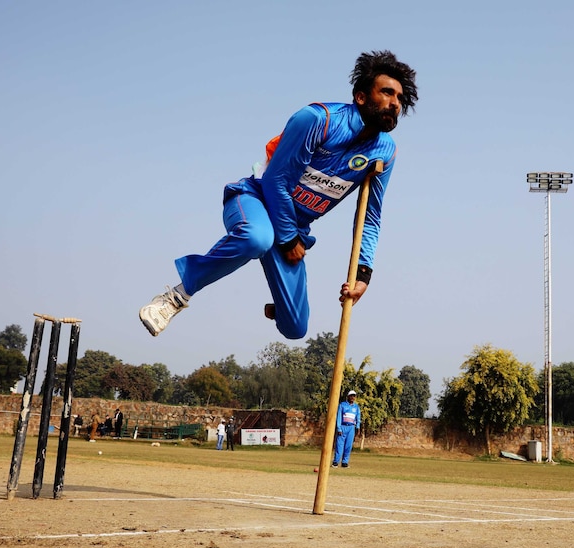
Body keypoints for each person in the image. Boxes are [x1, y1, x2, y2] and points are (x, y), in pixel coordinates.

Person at [139, 51, 418, 339]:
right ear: (361, 97)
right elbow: (275, 181)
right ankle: (177, 295)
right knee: (256, 238)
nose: (395, 103)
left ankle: (282, 305)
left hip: (292, 230)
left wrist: (363, 274)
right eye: (386, 93)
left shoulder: (385, 151)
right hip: (256, 200)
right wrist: (287, 238)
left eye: (399, 97)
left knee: (295, 328)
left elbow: (371, 218)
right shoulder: (316, 119)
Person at [332, 390, 361, 468]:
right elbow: (339, 417)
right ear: (348, 396)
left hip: (351, 428)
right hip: (343, 426)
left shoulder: (356, 407)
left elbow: (358, 418)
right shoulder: (342, 405)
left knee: (348, 446)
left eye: (354, 396)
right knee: (339, 445)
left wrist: (358, 427)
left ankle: (345, 462)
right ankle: (335, 462)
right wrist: (339, 428)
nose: (352, 397)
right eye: (351, 396)